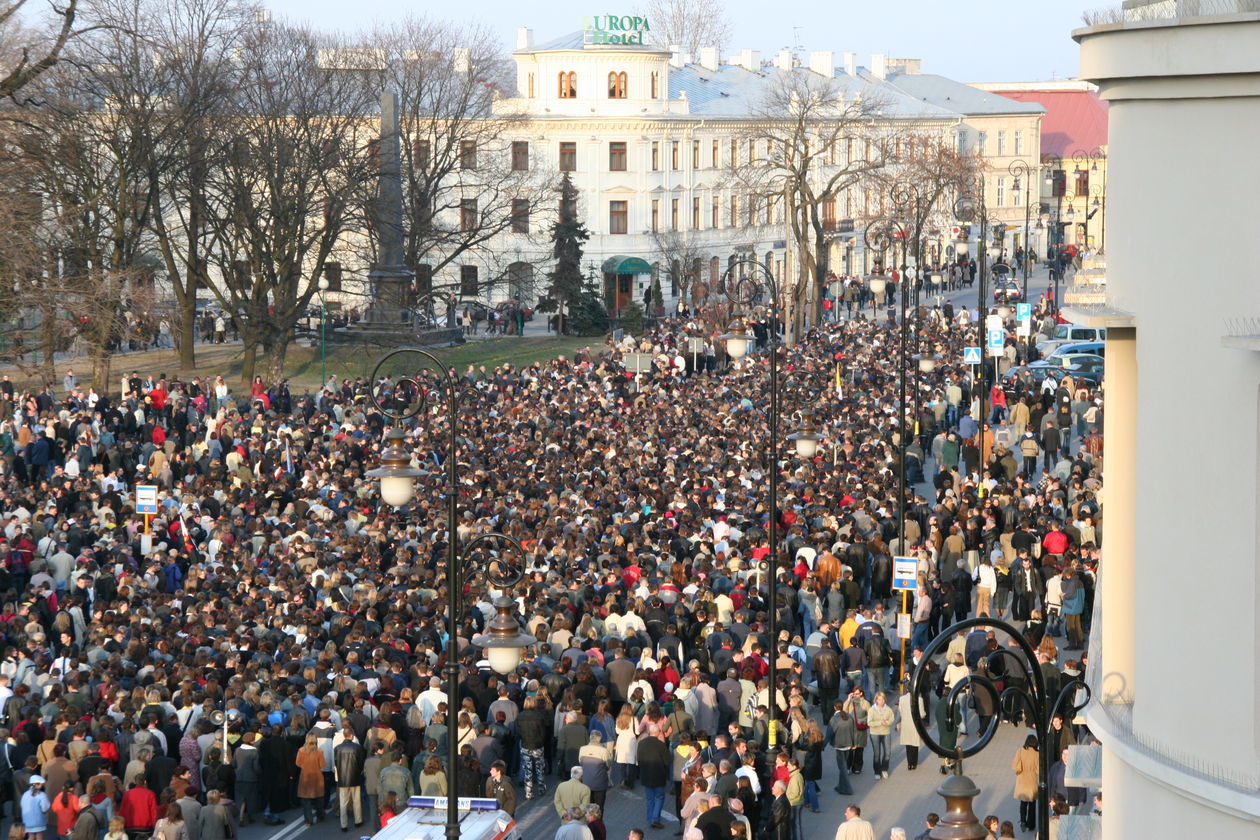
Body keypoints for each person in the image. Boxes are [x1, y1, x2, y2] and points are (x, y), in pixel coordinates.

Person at [636, 725, 670, 830]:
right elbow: (667, 761)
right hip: (659, 775)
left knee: (649, 799)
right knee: (659, 797)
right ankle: (655, 819)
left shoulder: (641, 743)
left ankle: (650, 818)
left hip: (646, 775)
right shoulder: (661, 745)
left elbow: (639, 759)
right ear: (658, 732)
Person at [294, 735, 325, 827]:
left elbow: (298, 763)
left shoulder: (301, 750)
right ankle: (320, 816)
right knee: (319, 799)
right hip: (317, 777)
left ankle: (309, 820)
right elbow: (322, 765)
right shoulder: (319, 752)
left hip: (305, 777)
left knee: (306, 801)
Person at [1012, 735, 1040, 833]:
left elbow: (1015, 766)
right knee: (1032, 805)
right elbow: (1038, 770)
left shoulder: (1020, 751)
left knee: (1023, 803)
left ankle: (1023, 821)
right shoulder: (1037, 754)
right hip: (1032, 782)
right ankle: (1031, 824)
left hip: (1022, 781)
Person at [866, 692, 895, 779]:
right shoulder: (872, 710)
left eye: (882, 699)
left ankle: (884, 769)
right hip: (875, 733)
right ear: (876, 700)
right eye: (879, 699)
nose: (881, 701)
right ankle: (877, 771)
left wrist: (887, 722)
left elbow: (892, 719)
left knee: (888, 753)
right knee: (877, 754)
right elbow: (869, 722)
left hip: (886, 732)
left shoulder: (888, 709)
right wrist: (880, 722)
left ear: (884, 699)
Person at [21, 774, 50, 840]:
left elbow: (22, 805)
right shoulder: (42, 795)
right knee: (39, 836)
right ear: (39, 785)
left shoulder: (25, 794)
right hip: (39, 821)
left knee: (31, 836)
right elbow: (45, 808)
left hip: (27, 821)